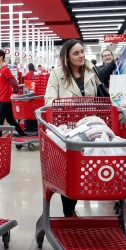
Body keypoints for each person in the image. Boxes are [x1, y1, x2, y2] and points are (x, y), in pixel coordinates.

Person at [44, 39, 103, 217]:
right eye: (76, 53)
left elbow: (101, 95)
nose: (81, 56)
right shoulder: (56, 74)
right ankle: (69, 211)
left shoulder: (91, 71)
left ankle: (77, 199)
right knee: (70, 167)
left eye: (82, 52)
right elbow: (48, 101)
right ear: (67, 57)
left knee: (87, 165)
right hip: (67, 128)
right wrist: (63, 103)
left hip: (90, 126)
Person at [0, 50, 26, 137]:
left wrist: (15, 91)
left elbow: (12, 80)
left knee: (0, 121)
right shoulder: (0, 70)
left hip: (5, 100)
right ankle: (22, 134)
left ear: (1, 57)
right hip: (4, 99)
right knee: (10, 120)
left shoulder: (5, 69)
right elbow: (1, 81)